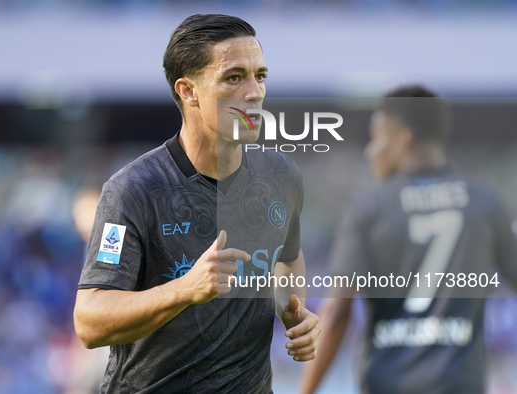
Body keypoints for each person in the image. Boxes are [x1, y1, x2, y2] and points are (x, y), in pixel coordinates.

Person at [73, 14, 320, 394]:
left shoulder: (280, 176)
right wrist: (185, 289)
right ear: (188, 91)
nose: (254, 92)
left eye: (261, 76)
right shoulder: (133, 189)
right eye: (234, 78)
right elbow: (89, 322)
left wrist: (293, 311)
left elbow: (287, 258)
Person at [299, 85, 517, 394]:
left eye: (377, 138)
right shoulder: (485, 205)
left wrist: (304, 391)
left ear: (404, 139)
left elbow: (336, 313)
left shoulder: (370, 209)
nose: (370, 151)